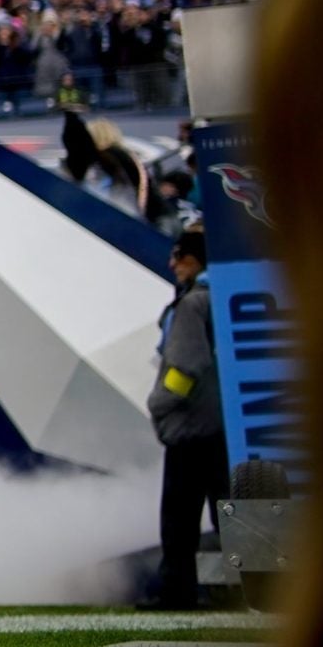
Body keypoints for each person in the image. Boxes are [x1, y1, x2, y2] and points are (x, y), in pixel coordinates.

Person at [142, 224, 223, 611]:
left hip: (192, 426)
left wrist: (161, 401)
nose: (173, 264)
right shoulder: (225, 296)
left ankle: (178, 591)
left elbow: (186, 365)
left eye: (180, 256)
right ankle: (237, 590)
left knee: (179, 519)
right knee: (228, 513)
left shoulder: (193, 304)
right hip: (224, 424)